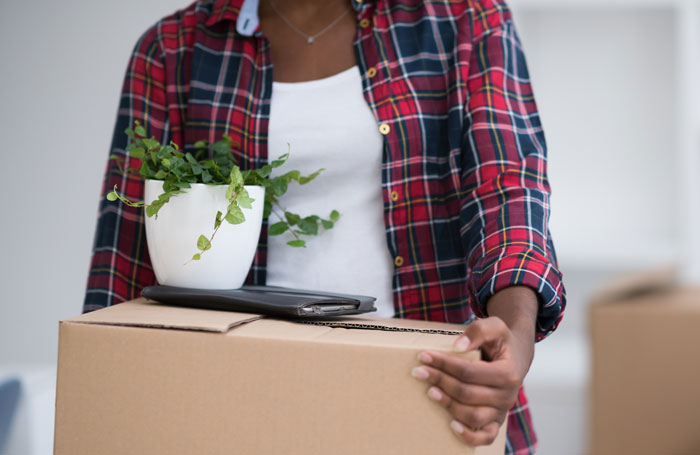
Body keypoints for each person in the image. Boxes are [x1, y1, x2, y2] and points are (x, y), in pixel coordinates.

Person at [83, 0, 566, 453]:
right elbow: (126, 256)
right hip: (240, 399)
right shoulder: (174, 50)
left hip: (434, 388)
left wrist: (516, 337)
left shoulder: (464, 18)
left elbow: (506, 187)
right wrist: (105, 406)